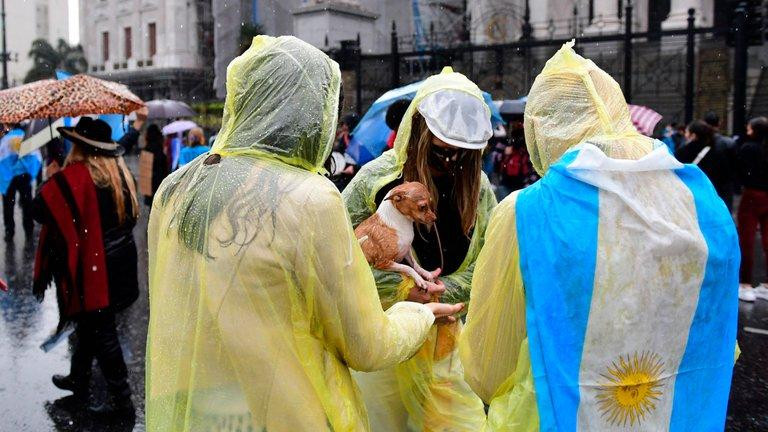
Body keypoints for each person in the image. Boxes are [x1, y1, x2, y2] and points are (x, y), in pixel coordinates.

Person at [145, 35, 462, 432]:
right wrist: (418, 313)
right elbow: (367, 345)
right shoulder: (310, 198)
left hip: (198, 411)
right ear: (315, 115)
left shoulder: (174, 189)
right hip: (286, 412)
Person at [460, 41, 739, 431]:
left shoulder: (527, 213)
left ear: (543, 128)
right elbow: (718, 339)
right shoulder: (702, 204)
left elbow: (487, 366)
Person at [342, 67, 494, 431]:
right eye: (444, 149)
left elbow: (489, 260)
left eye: (463, 152)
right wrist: (405, 293)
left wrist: (443, 293)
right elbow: (341, 253)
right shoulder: (377, 180)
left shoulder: (478, 189)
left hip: (447, 338)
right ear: (422, 132)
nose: (452, 160)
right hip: (385, 337)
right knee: (382, 422)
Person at [32, 117, 139, 416]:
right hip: (121, 267)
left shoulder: (76, 177)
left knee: (103, 332)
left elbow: (38, 209)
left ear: (80, 146)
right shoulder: (120, 174)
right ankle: (78, 378)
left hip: (97, 273)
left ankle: (124, 402)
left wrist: (49, 178)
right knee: (91, 326)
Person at [736, 116, 768, 302]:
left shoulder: (749, 148)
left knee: (746, 240)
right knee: (766, 240)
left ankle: (746, 284)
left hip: (752, 195)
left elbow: (740, 170)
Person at [675, 120, 734, 209]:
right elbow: (725, 177)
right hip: (712, 194)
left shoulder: (684, 151)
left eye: (687, 132)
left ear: (693, 135)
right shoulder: (717, 150)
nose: (685, 135)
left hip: (691, 194)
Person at [0, 126, 42, 240]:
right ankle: (29, 228)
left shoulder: (5, 139)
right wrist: (31, 172)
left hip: (9, 177)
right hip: (23, 176)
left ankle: (9, 231)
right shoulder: (26, 136)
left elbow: (2, 158)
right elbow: (36, 156)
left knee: (8, 205)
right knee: (26, 203)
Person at [139, 124, 169, 207]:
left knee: (151, 208)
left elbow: (144, 172)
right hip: (160, 181)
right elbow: (165, 169)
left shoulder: (146, 149)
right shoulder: (160, 149)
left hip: (150, 183)